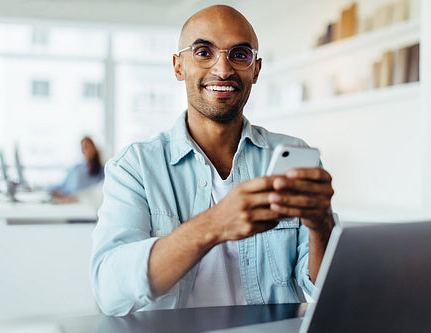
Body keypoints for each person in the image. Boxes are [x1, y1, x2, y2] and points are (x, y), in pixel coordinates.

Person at [90, 5, 335, 315]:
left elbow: (320, 287)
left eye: (239, 54)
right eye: (203, 52)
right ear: (179, 66)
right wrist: (215, 224)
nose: (222, 69)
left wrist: (322, 225)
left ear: (256, 69)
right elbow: (110, 291)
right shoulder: (134, 167)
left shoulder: (292, 156)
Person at [49, 136, 104, 204]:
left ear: (94, 147)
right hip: (69, 200)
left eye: (87, 146)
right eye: (82, 148)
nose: (85, 150)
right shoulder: (76, 169)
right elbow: (62, 186)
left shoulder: (102, 171)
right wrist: (52, 190)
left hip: (83, 202)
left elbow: (96, 193)